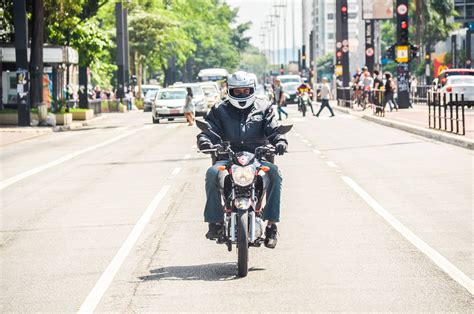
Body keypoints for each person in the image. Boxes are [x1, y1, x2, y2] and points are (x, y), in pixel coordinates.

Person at [197, 71, 289, 249]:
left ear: (252, 90)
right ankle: (214, 221)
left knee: (275, 174)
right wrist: (204, 141)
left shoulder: (264, 107)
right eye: (237, 91)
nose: (242, 95)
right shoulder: (219, 109)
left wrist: (280, 142)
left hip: (257, 159)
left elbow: (274, 130)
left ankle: (271, 225)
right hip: (228, 159)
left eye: (245, 91)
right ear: (230, 91)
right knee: (211, 173)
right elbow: (208, 131)